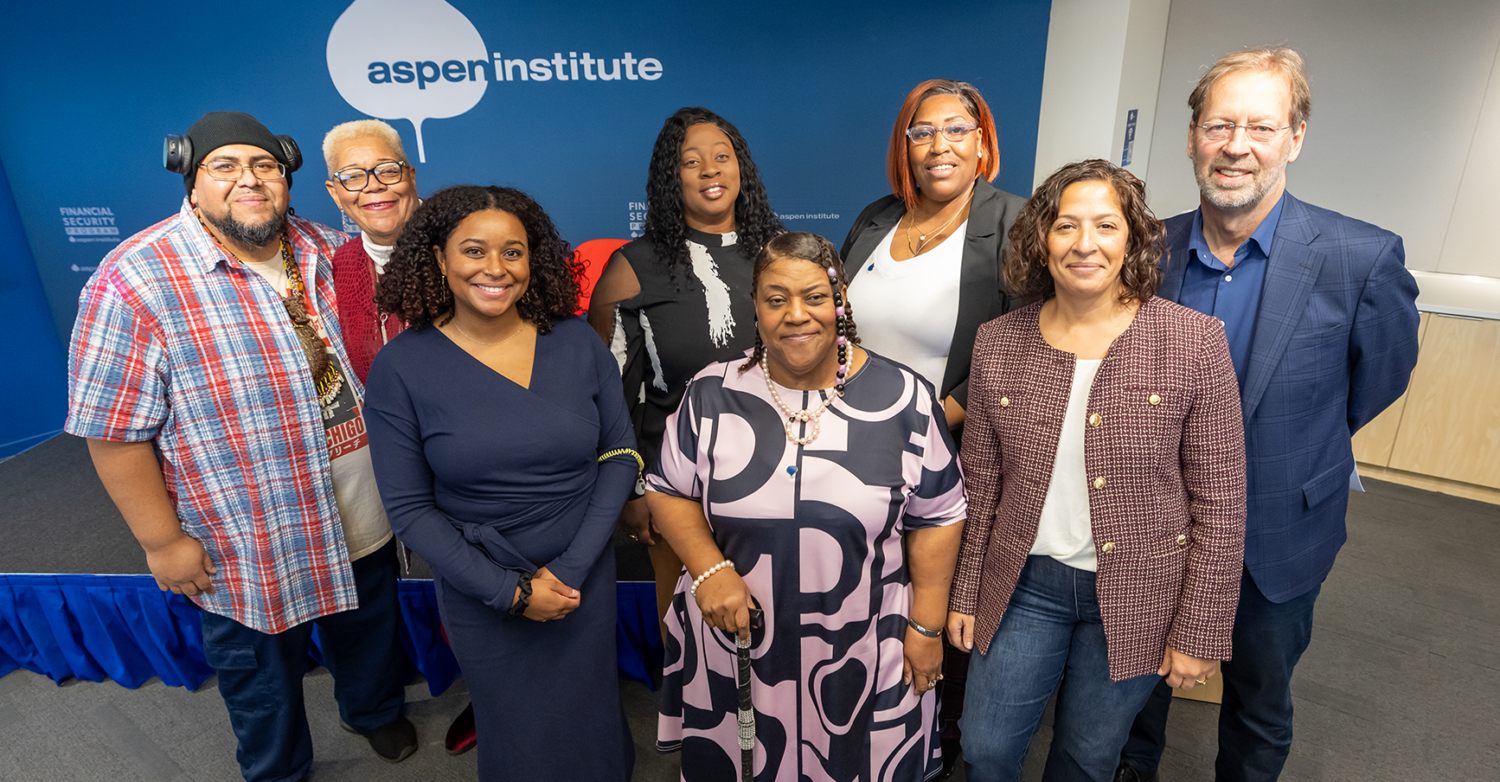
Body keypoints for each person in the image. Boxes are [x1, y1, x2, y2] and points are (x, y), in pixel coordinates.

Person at [65, 111, 415, 782]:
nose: (248, 180)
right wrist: (163, 542)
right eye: (224, 167)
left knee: (370, 627)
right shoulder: (133, 280)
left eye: (264, 167)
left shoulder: (324, 248)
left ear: (286, 177)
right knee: (260, 672)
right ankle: (278, 766)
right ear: (190, 182)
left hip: (361, 506)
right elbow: (113, 432)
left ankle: (372, 711)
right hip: (244, 536)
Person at [1115, 47, 1421, 782]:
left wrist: (1301, 441)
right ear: (1193, 137)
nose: (1236, 146)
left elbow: (1379, 378)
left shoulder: (1359, 257)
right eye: (1219, 125)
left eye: (1260, 126)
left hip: (1278, 527)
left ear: (1296, 137)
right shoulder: (1143, 251)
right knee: (1133, 693)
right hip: (1152, 526)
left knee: (1258, 702)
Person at [947, 159, 1248, 782]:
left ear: (1133, 239)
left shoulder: (1193, 342)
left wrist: (1199, 630)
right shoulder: (999, 341)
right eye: (1067, 227)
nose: (1086, 244)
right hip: (1023, 583)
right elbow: (979, 485)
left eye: (1106, 226)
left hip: (1140, 590)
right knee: (985, 749)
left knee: (1087, 760)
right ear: (1042, 239)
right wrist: (966, 591)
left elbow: (1220, 502)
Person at [648, 232, 968, 781]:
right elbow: (667, 488)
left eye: (815, 297)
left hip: (864, 648)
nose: (796, 315)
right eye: (776, 300)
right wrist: (710, 568)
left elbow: (939, 515)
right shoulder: (711, 392)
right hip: (738, 643)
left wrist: (928, 628)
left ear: (841, 299)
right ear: (756, 306)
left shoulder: (905, 398)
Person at [364, 185, 637, 781]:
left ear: (531, 260)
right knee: (518, 731)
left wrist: (569, 569)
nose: (495, 268)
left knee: (590, 717)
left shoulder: (576, 342)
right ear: (438, 258)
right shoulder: (401, 367)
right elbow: (409, 510)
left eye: (512, 252)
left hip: (581, 571)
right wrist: (509, 593)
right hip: (480, 581)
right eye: (473, 251)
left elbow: (619, 454)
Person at [840, 78, 1028, 775]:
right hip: (851, 447)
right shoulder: (875, 219)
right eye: (923, 131)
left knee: (936, 603)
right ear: (904, 143)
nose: (939, 144)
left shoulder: (1015, 221)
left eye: (957, 128)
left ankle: (933, 742)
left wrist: (919, 422)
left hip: (947, 452)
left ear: (983, 144)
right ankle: (861, 715)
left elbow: (1025, 348)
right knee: (861, 592)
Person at [587, 106, 785, 629]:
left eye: (723, 157)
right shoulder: (633, 269)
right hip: (679, 488)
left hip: (784, 476)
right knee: (691, 632)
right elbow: (610, 396)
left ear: (742, 168)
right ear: (670, 178)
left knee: (783, 624)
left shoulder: (783, 256)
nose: (710, 170)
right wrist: (632, 491)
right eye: (691, 162)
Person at [322, 119, 420, 385]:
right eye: (352, 176)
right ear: (335, 194)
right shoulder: (342, 264)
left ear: (410, 176)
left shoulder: (464, 243)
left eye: (387, 171)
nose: (373, 185)